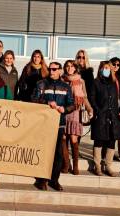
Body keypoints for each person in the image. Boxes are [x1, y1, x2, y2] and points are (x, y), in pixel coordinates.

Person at [31, 62, 74, 191]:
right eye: (50, 69)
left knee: (58, 154)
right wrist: (47, 102)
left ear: (60, 71)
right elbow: (33, 99)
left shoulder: (66, 87)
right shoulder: (41, 83)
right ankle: (42, 180)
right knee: (44, 153)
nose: (52, 71)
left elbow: (72, 105)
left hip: (59, 125)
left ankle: (54, 180)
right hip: (44, 124)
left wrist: (64, 109)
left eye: (54, 69)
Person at [89, 61, 120, 177]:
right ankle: (98, 166)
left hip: (114, 117)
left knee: (111, 141)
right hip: (100, 116)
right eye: (104, 68)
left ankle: (108, 166)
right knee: (99, 141)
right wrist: (97, 110)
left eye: (108, 68)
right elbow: (92, 98)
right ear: (100, 69)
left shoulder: (116, 83)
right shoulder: (96, 82)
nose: (106, 70)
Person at [62, 60, 93, 175]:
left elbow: (84, 97)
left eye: (71, 66)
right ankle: (66, 165)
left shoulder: (81, 81)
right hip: (64, 111)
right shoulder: (62, 80)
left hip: (76, 111)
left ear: (75, 68)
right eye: (67, 66)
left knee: (74, 139)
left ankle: (75, 165)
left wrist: (90, 109)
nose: (69, 68)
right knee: (63, 138)